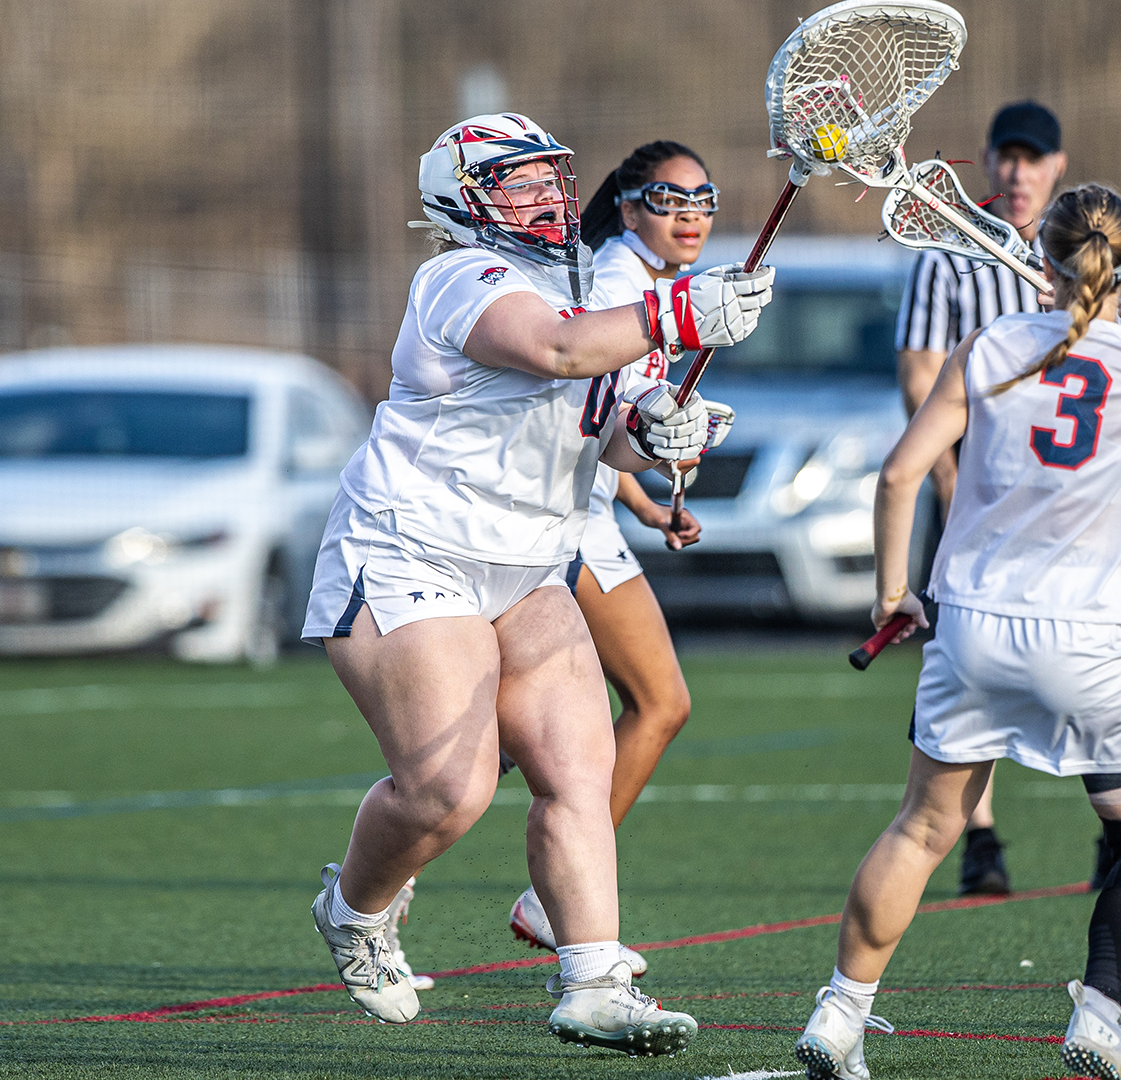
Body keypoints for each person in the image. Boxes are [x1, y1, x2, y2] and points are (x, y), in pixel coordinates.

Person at [298, 112, 769, 1054]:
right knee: (449, 791)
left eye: (551, 176)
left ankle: (593, 982)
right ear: (463, 200)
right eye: (518, 181)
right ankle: (353, 909)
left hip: (531, 565)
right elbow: (557, 352)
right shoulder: (460, 277)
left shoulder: (588, 284)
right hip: (414, 551)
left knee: (578, 772)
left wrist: (660, 433)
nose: (547, 194)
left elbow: (611, 423)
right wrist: (676, 313)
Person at [795, 185, 1121, 1080]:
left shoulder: (986, 345)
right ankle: (1099, 1017)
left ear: (1044, 261)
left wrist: (892, 593)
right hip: (1089, 640)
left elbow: (901, 473)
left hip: (971, 625)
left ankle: (840, 1014)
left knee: (921, 830)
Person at [499, 140, 717, 976]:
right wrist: (664, 433)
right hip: (562, 527)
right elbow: (602, 406)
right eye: (668, 199)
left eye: (703, 199)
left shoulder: (643, 279)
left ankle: (407, 869)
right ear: (628, 208)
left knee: (520, 736)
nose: (690, 214)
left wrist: (648, 501)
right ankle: (543, 899)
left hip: (591, 515)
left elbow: (604, 420)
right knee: (653, 704)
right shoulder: (622, 282)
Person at [893, 100, 1071, 896]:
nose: (1018, 172)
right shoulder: (950, 254)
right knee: (967, 651)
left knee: (1083, 636)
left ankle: (1116, 825)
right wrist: (947, 475)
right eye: (1007, 156)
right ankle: (980, 834)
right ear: (991, 160)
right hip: (974, 485)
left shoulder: (1075, 247)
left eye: (1033, 159)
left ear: (1056, 166)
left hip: (1063, 488)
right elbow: (919, 374)